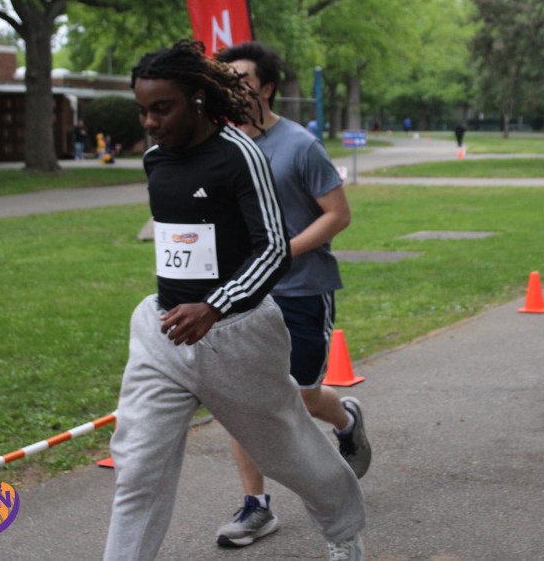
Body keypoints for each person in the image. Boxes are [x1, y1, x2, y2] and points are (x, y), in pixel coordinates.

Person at [103, 40, 366, 561]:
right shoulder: (155, 160)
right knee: (137, 471)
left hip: (237, 334)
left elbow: (273, 249)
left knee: (290, 454)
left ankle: (344, 533)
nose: (150, 123)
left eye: (162, 108)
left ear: (197, 99)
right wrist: (185, 305)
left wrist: (215, 305)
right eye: (143, 111)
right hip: (164, 332)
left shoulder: (239, 155)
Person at [213, 41, 371, 549]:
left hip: (302, 289)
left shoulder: (300, 146)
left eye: (241, 80)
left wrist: (281, 254)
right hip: (244, 295)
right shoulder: (220, 146)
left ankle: (345, 419)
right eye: (224, 81)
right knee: (241, 399)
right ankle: (256, 506)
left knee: (300, 397)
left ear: (267, 87)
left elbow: (338, 215)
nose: (232, 89)